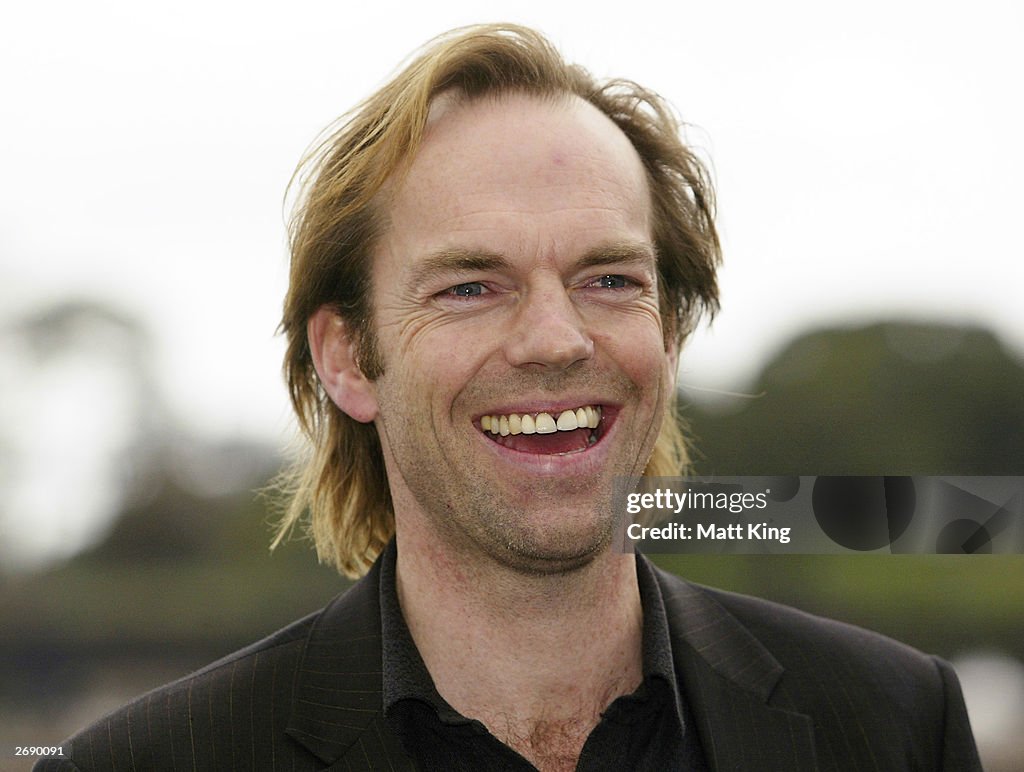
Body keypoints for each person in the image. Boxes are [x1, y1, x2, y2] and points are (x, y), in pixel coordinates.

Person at [37, 23, 980, 771]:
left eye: (609, 279)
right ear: (348, 360)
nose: (556, 339)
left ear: (671, 331)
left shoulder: (897, 723)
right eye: (469, 287)